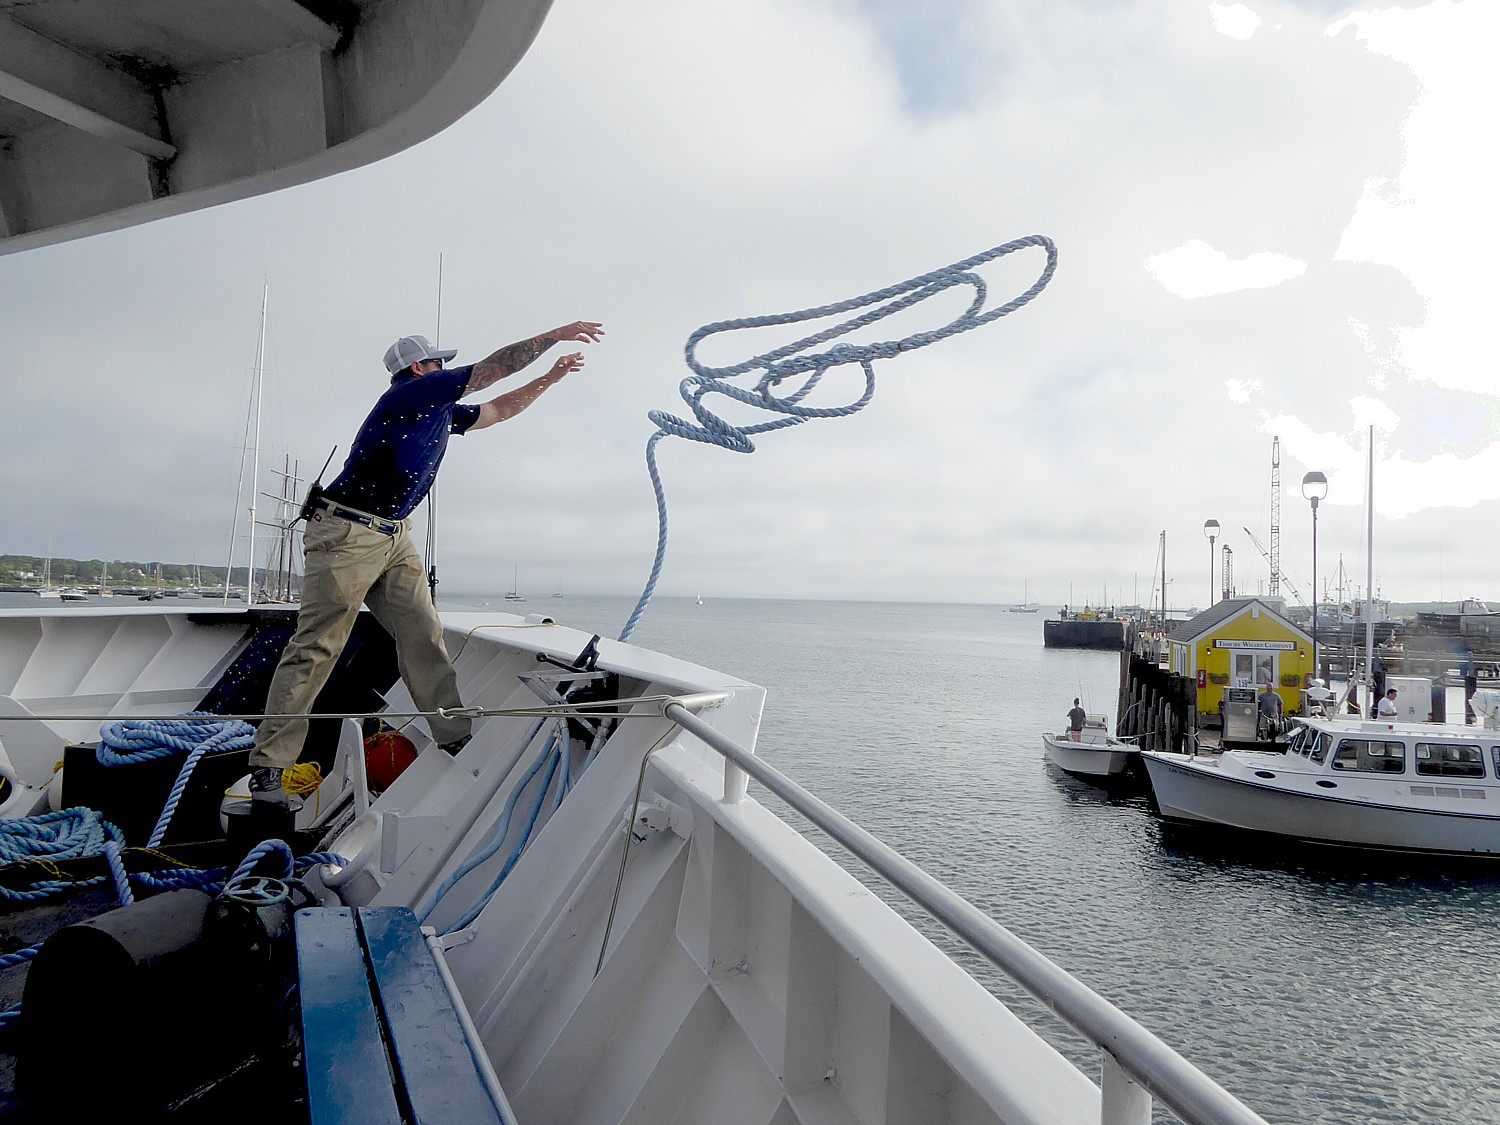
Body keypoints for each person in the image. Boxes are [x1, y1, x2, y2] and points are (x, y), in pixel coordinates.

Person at [248, 321, 605, 806]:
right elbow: (492, 372)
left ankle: (452, 733)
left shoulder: (437, 412)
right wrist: (556, 334)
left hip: (394, 535)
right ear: (420, 367)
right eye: (438, 362)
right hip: (347, 533)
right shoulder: (410, 396)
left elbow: (497, 411)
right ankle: (270, 766)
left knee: (423, 633)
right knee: (318, 646)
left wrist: (552, 378)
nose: (444, 369)